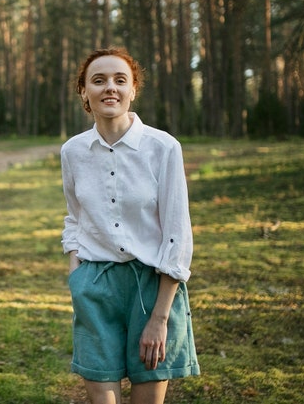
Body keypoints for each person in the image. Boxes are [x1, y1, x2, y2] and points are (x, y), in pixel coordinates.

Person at [60, 47, 200, 404]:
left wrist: (160, 317)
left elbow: (177, 234)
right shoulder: (73, 152)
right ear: (84, 93)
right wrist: (77, 271)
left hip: (153, 287)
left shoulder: (163, 147)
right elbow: (74, 217)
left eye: (120, 80)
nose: (110, 88)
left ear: (133, 89)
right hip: (95, 286)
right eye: (99, 80)